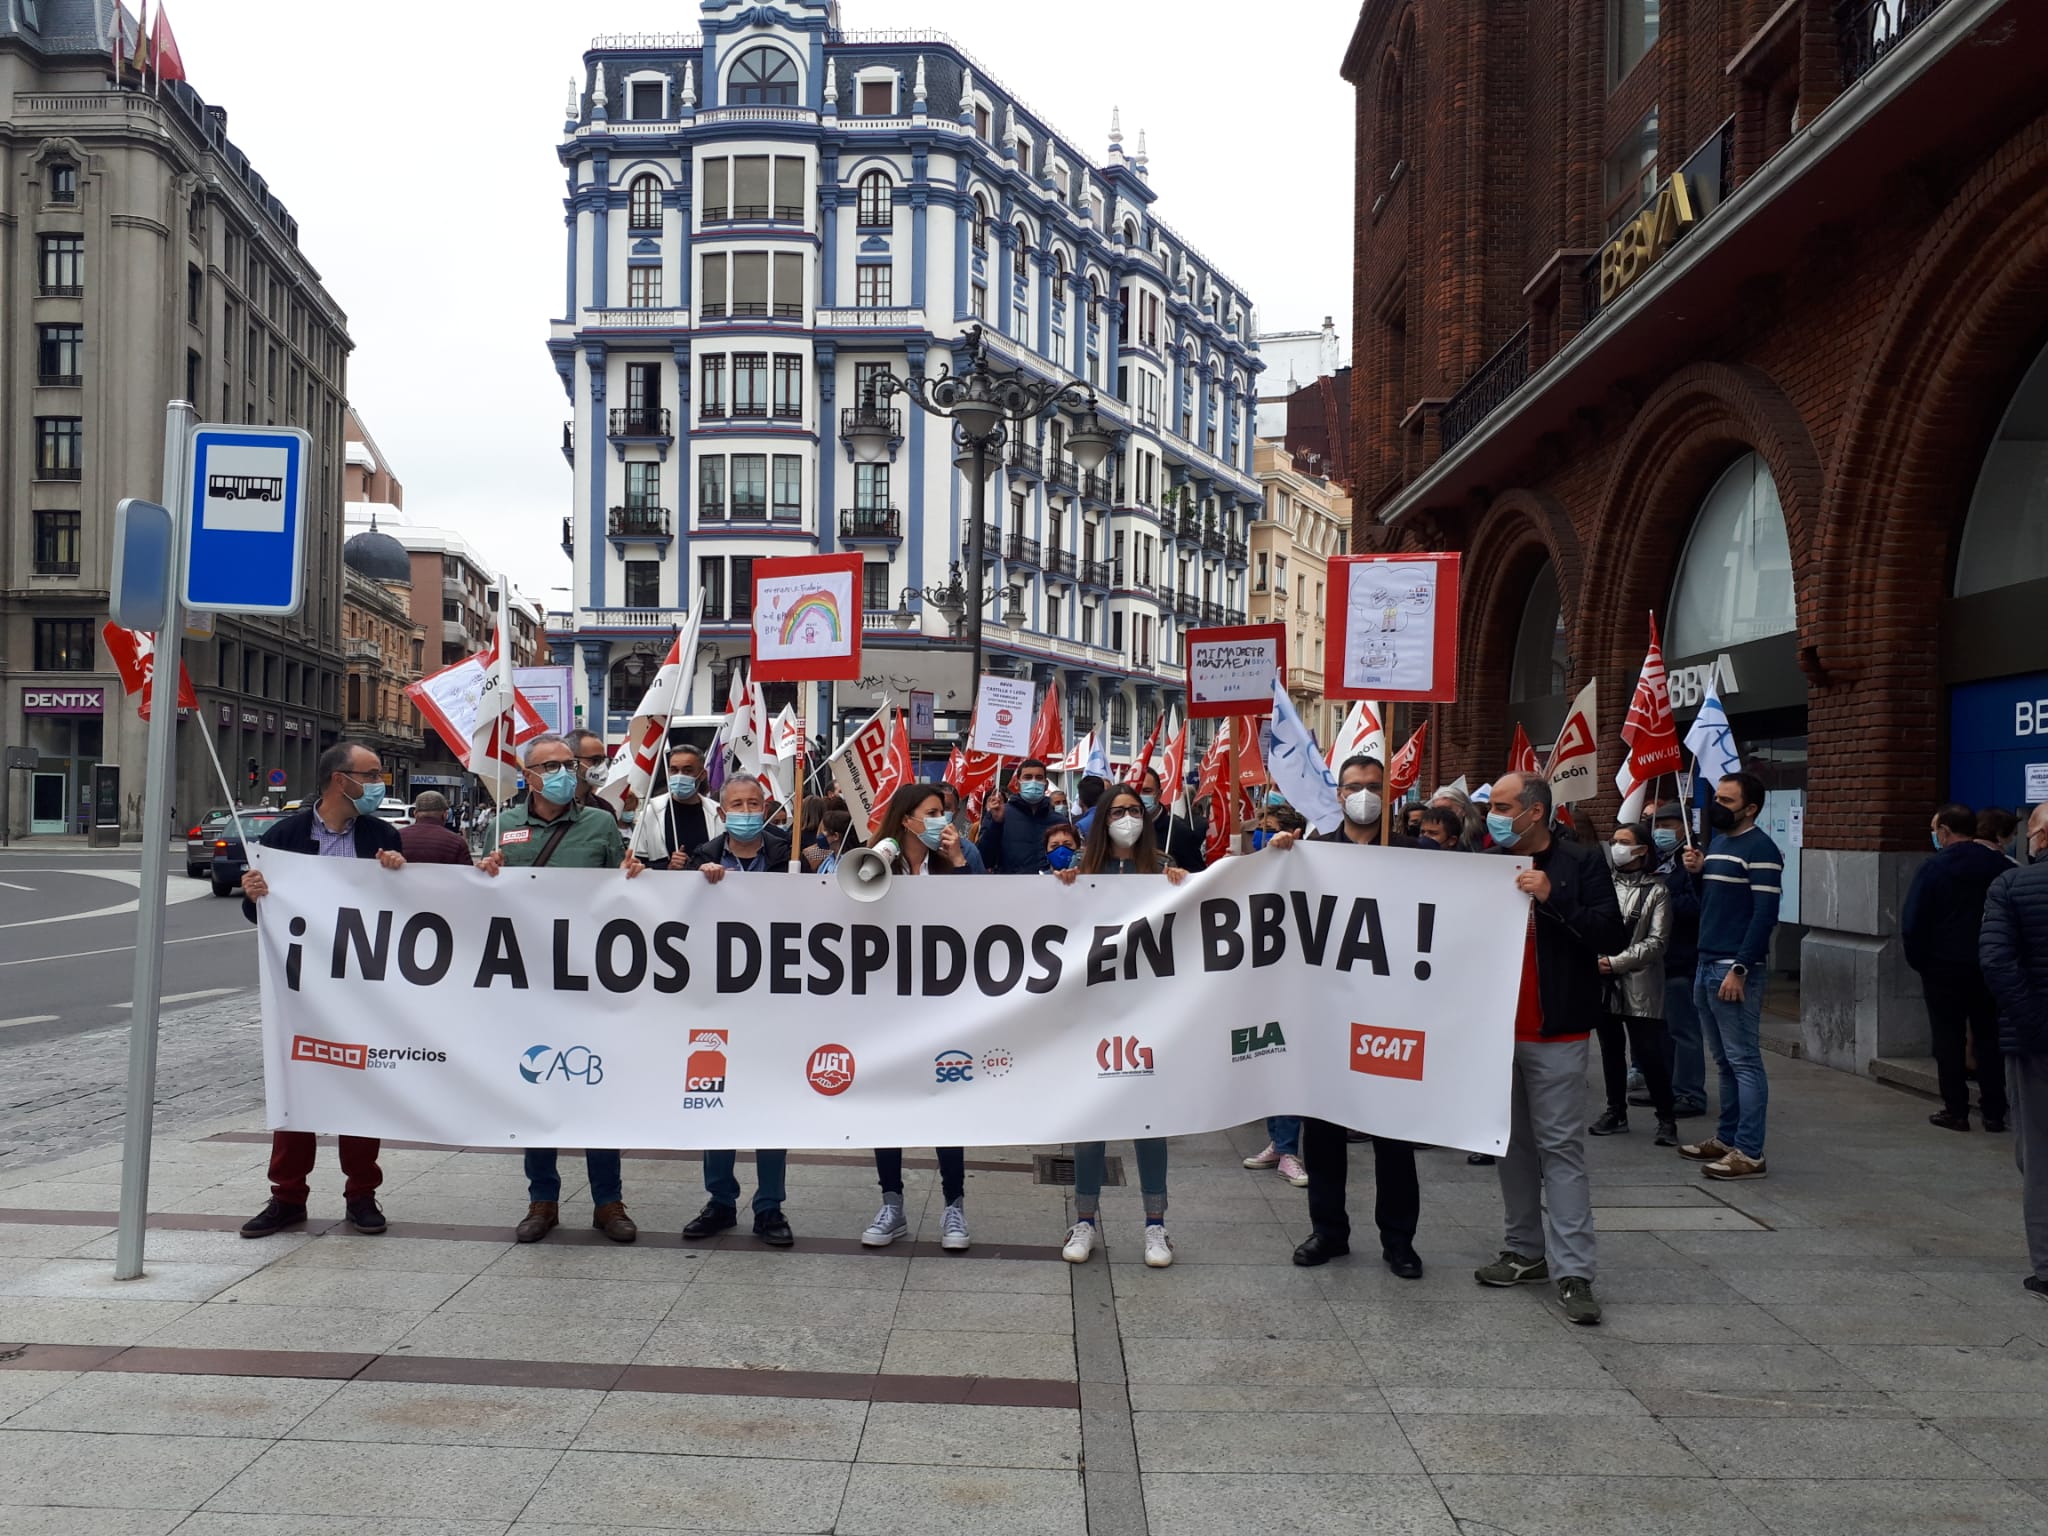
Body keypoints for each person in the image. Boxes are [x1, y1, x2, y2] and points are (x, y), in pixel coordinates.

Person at [237, 742, 408, 1238]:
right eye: (372, 775)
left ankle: (362, 1195)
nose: (380, 783)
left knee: (361, 1085)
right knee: (297, 1087)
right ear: (340, 779)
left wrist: (399, 872)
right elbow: (261, 916)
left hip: (362, 988)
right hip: (301, 990)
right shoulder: (285, 836)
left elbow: (407, 913)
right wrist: (254, 895)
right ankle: (287, 1196)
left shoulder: (381, 835)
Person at [1269, 755, 1428, 1277]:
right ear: (1339, 795)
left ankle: (1399, 1240)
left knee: (1394, 1134)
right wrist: (1276, 858)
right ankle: (1328, 1231)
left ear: (1389, 792)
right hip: (1330, 1017)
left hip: (1392, 1017)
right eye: (1354, 786)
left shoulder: (1418, 855)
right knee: (1326, 1131)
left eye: (1373, 786)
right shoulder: (1311, 854)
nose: (1363, 794)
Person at [1471, 770, 1620, 1326]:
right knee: (1511, 1146)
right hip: (1494, 1033)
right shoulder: (1481, 862)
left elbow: (1610, 934)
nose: (1495, 815)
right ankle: (1523, 1251)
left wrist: (1552, 899)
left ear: (1534, 812)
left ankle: (1574, 1271)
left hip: (1556, 1032)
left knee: (1560, 1149)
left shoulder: (1580, 863)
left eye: (1505, 806)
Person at [478, 734, 637, 1244]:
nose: (566, 773)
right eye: (552, 766)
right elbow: (483, 902)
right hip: (529, 988)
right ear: (527, 776)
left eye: (570, 764)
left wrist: (636, 876)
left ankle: (608, 1202)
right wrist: (483, 875)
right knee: (537, 1095)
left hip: (590, 984)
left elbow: (623, 899)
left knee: (599, 1091)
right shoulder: (502, 828)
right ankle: (541, 1199)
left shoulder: (600, 824)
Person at [1053, 783, 1187, 1267]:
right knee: (1094, 1120)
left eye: (1135, 810)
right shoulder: (1084, 872)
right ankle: (1084, 1219)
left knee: (1149, 1121)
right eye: (1118, 811)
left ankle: (1156, 1226)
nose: (1128, 818)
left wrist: (1185, 885)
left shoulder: (1163, 868)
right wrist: (1066, 889)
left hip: (1149, 1014)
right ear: (1101, 819)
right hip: (1096, 1013)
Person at [858, 783, 974, 1252]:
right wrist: (878, 860)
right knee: (890, 1107)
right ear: (905, 819)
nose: (941, 820)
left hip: (941, 1006)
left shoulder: (957, 859)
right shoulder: (877, 860)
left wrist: (961, 862)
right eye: (931, 813)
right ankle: (892, 1204)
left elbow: (986, 915)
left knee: (947, 1106)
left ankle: (954, 1207)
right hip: (888, 1006)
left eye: (945, 812)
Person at [683, 775, 795, 1247]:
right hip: (717, 1003)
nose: (746, 810)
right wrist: (697, 884)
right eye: (737, 804)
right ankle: (721, 1201)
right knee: (714, 1100)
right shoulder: (702, 858)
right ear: (722, 811)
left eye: (754, 803)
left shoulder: (790, 856)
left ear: (766, 806)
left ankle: (769, 1206)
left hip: (776, 1002)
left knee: (770, 1105)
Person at [1677, 771, 1782, 1181]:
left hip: (1732, 967)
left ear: (1750, 808)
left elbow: (1763, 915)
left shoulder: (1762, 850)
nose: (1717, 806)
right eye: (1717, 798)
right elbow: (1715, 903)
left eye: (1727, 800)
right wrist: (1697, 872)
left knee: (1744, 1060)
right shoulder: (1719, 844)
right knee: (1723, 1060)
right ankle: (1727, 1138)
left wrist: (1741, 967)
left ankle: (1750, 1151)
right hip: (1707, 961)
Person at [1903, 802, 2011, 1132]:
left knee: (1948, 1039)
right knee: (1989, 1037)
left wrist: (1920, 961)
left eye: (1936, 830)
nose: (1935, 836)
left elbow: (1913, 921)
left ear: (1946, 831)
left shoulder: (1934, 868)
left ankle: (1956, 1109)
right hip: (1989, 965)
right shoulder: (2000, 865)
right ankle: (1994, 1110)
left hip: (1943, 967)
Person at [1981, 803, 2048, 1300]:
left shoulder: (2011, 887)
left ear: (2041, 837)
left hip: (2035, 1042)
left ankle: (2046, 1268)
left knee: (2040, 1152)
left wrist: (2036, 1025)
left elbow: (1998, 962)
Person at [1591, 822, 1676, 1144]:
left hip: (1641, 984)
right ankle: (1615, 1111)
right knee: (1610, 1050)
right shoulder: (1603, 885)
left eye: (1624, 842)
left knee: (1648, 1052)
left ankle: (1666, 1117)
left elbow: (1657, 942)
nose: (1617, 847)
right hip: (1603, 984)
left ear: (1642, 849)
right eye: (1614, 841)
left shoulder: (1657, 890)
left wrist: (1614, 963)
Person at [1635, 802, 1707, 1119]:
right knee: (1660, 1031)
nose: (1660, 828)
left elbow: (1696, 907)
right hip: (1657, 961)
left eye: (1667, 823)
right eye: (1657, 823)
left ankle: (1690, 1093)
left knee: (1684, 1031)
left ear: (1684, 826)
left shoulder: (1691, 863)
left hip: (1682, 958)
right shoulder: (1659, 860)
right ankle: (1663, 1087)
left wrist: (1660, 900)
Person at [629, 743, 721, 870]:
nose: (679, 776)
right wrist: (667, 867)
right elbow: (635, 863)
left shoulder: (717, 813)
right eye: (674, 770)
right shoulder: (651, 813)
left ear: (703, 774)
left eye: (687, 771)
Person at [978, 758, 1060, 873]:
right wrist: (996, 824)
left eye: (1039, 778)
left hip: (1048, 887)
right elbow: (985, 860)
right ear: (1017, 784)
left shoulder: (1059, 821)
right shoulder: (999, 815)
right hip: (1011, 888)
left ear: (1046, 785)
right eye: (1028, 777)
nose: (1033, 782)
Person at [1138, 765, 1207, 873]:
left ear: (1159, 794)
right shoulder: (1122, 829)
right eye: (1135, 790)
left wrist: (1179, 875)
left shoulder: (1178, 831)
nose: (1140, 796)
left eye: (1147, 791)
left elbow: (1197, 876)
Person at [398, 789, 472, 866]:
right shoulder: (456, 842)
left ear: (415, 814)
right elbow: (467, 874)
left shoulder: (397, 837)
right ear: (445, 815)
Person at [568, 728, 621, 821]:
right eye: (595, 760)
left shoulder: (605, 809)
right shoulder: (552, 807)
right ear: (572, 761)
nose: (601, 766)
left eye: (604, 760)